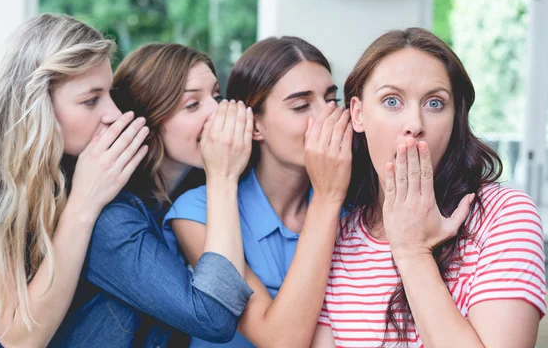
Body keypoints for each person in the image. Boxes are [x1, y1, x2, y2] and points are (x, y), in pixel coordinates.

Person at [311, 27, 546, 347]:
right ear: (357, 113)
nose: (415, 124)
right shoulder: (342, 236)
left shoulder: (503, 215)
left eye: (435, 103)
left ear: (455, 117)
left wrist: (413, 252)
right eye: (391, 101)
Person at [0, 13, 148, 347]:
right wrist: (83, 203)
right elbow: (21, 339)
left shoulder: (61, 168)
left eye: (109, 94)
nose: (114, 114)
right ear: (36, 103)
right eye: (91, 99)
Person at [51, 43, 254, 347]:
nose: (218, 112)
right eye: (192, 105)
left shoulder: (186, 200)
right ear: (148, 121)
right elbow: (212, 318)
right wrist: (222, 176)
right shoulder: (111, 219)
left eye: (216, 96)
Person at [163, 36, 353, 347]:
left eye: (332, 100)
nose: (326, 117)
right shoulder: (196, 214)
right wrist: (327, 196)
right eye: (301, 105)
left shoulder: (355, 215)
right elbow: (281, 340)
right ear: (254, 126)